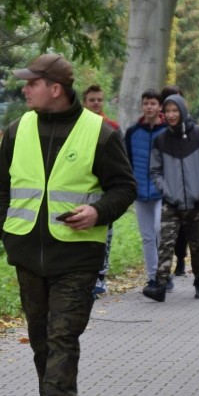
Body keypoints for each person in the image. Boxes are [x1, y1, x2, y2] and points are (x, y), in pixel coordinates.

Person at [0, 54, 136, 396]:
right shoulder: (18, 130)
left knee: (62, 338)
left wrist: (97, 211)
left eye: (31, 83)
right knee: (41, 341)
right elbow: (0, 185)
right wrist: (4, 230)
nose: (24, 89)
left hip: (76, 257)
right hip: (28, 256)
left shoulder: (100, 133)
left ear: (54, 88)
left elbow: (124, 187)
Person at [142, 94, 199, 302]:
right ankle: (160, 285)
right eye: (168, 111)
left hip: (195, 201)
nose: (172, 115)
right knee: (165, 242)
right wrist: (166, 190)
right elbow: (155, 170)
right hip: (171, 201)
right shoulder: (161, 139)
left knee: (197, 245)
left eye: (175, 110)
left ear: (182, 111)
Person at [124, 89, 172, 292]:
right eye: (146, 103)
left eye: (153, 103)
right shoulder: (133, 132)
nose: (149, 107)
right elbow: (127, 161)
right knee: (146, 236)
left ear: (160, 106)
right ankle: (153, 277)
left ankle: (164, 273)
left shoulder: (169, 131)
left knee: (159, 230)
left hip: (162, 191)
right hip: (140, 190)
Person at [82, 84, 119, 295]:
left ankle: (101, 276)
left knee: (105, 234)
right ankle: (85, 276)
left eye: (99, 100)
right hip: (82, 188)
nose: (96, 103)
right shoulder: (76, 128)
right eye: (92, 100)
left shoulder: (112, 127)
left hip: (105, 191)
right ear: (84, 103)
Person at [160, 85, 189, 276]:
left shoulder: (190, 127)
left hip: (186, 188)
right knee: (166, 231)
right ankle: (162, 275)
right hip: (165, 188)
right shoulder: (160, 131)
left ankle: (180, 259)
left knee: (183, 230)